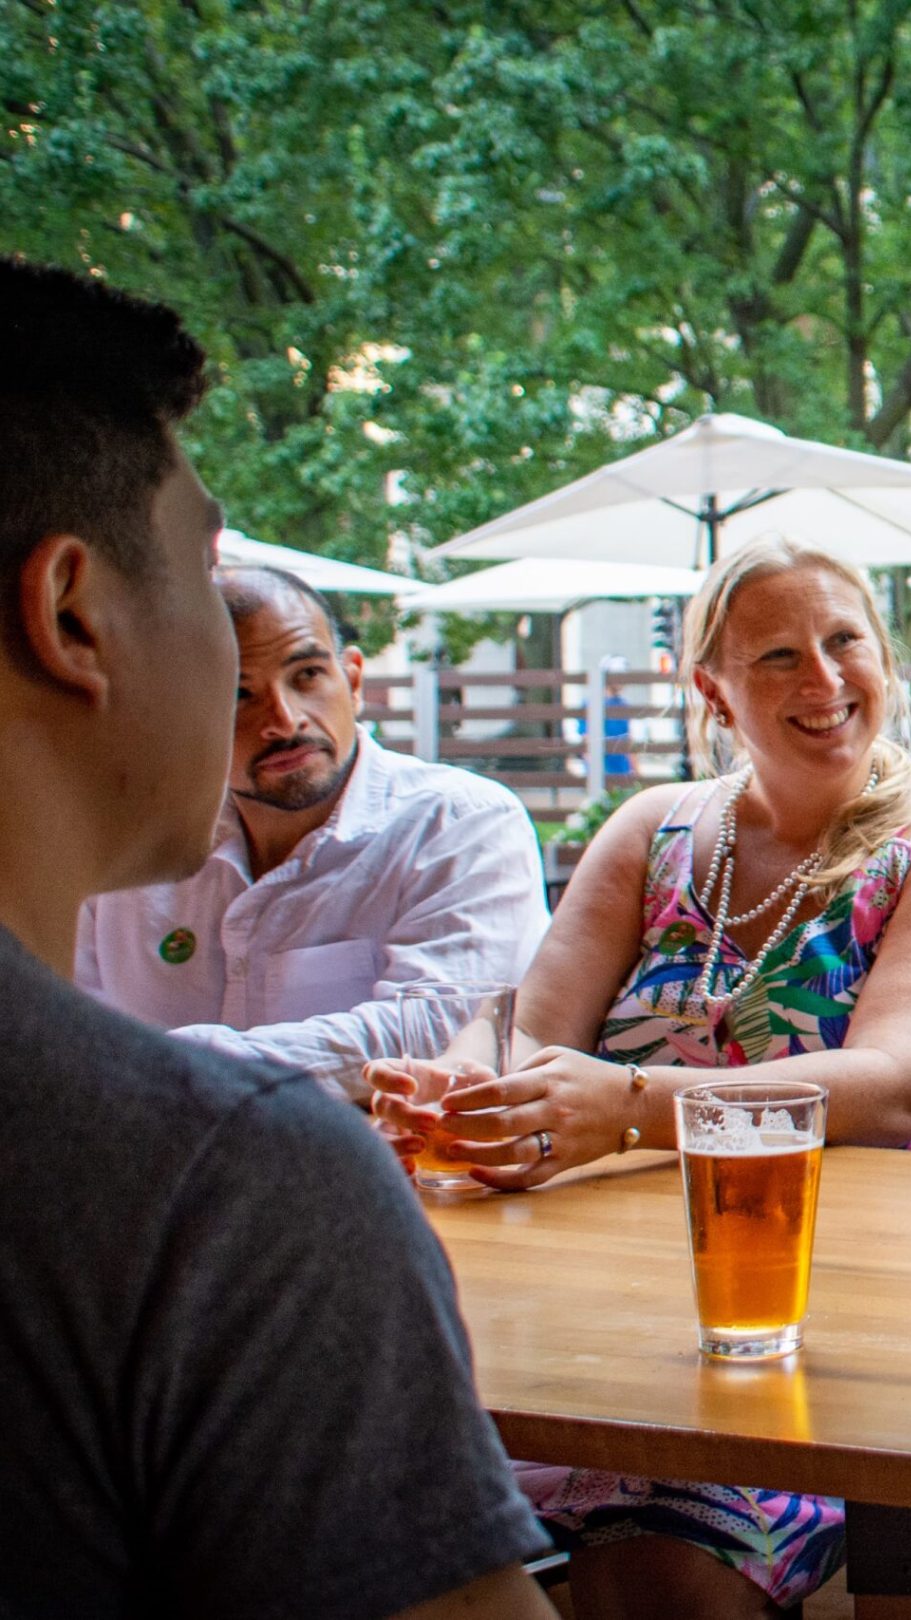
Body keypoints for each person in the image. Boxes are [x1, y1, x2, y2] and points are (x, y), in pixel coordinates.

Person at [0, 263, 554, 1617]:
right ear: (74, 615)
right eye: (200, 567)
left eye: (302, 671)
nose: (264, 706)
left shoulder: (453, 825)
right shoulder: (228, 1187)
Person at [372, 533, 911, 1619]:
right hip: (592, 1324)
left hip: (834, 1341)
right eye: (777, 657)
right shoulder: (653, 830)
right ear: (712, 691)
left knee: (654, 1570)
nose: (822, 681)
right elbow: (527, 1035)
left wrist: (634, 1109)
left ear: (885, 658)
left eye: (843, 642)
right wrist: (446, 1089)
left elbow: (897, 1085)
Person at [75, 564, 550, 1102]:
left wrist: (169, 1068)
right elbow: (70, 1032)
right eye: (237, 694)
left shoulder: (460, 822)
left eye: (307, 676)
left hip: (382, 1177)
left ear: (351, 678)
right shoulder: (122, 850)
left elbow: (438, 1029)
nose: (284, 719)